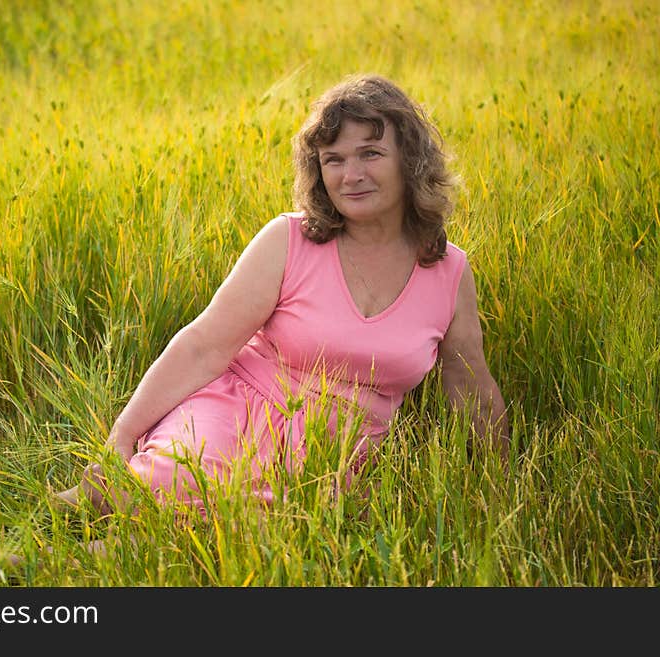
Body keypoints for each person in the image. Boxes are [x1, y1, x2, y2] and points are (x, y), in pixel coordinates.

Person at [56, 74, 509, 517]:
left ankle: (90, 540)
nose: (351, 175)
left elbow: (471, 388)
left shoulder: (448, 271)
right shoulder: (289, 240)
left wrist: (500, 483)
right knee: (182, 482)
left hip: (330, 456)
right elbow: (203, 346)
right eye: (333, 159)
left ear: (409, 161)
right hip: (234, 411)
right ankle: (82, 511)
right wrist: (122, 435)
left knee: (251, 526)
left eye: (370, 154)